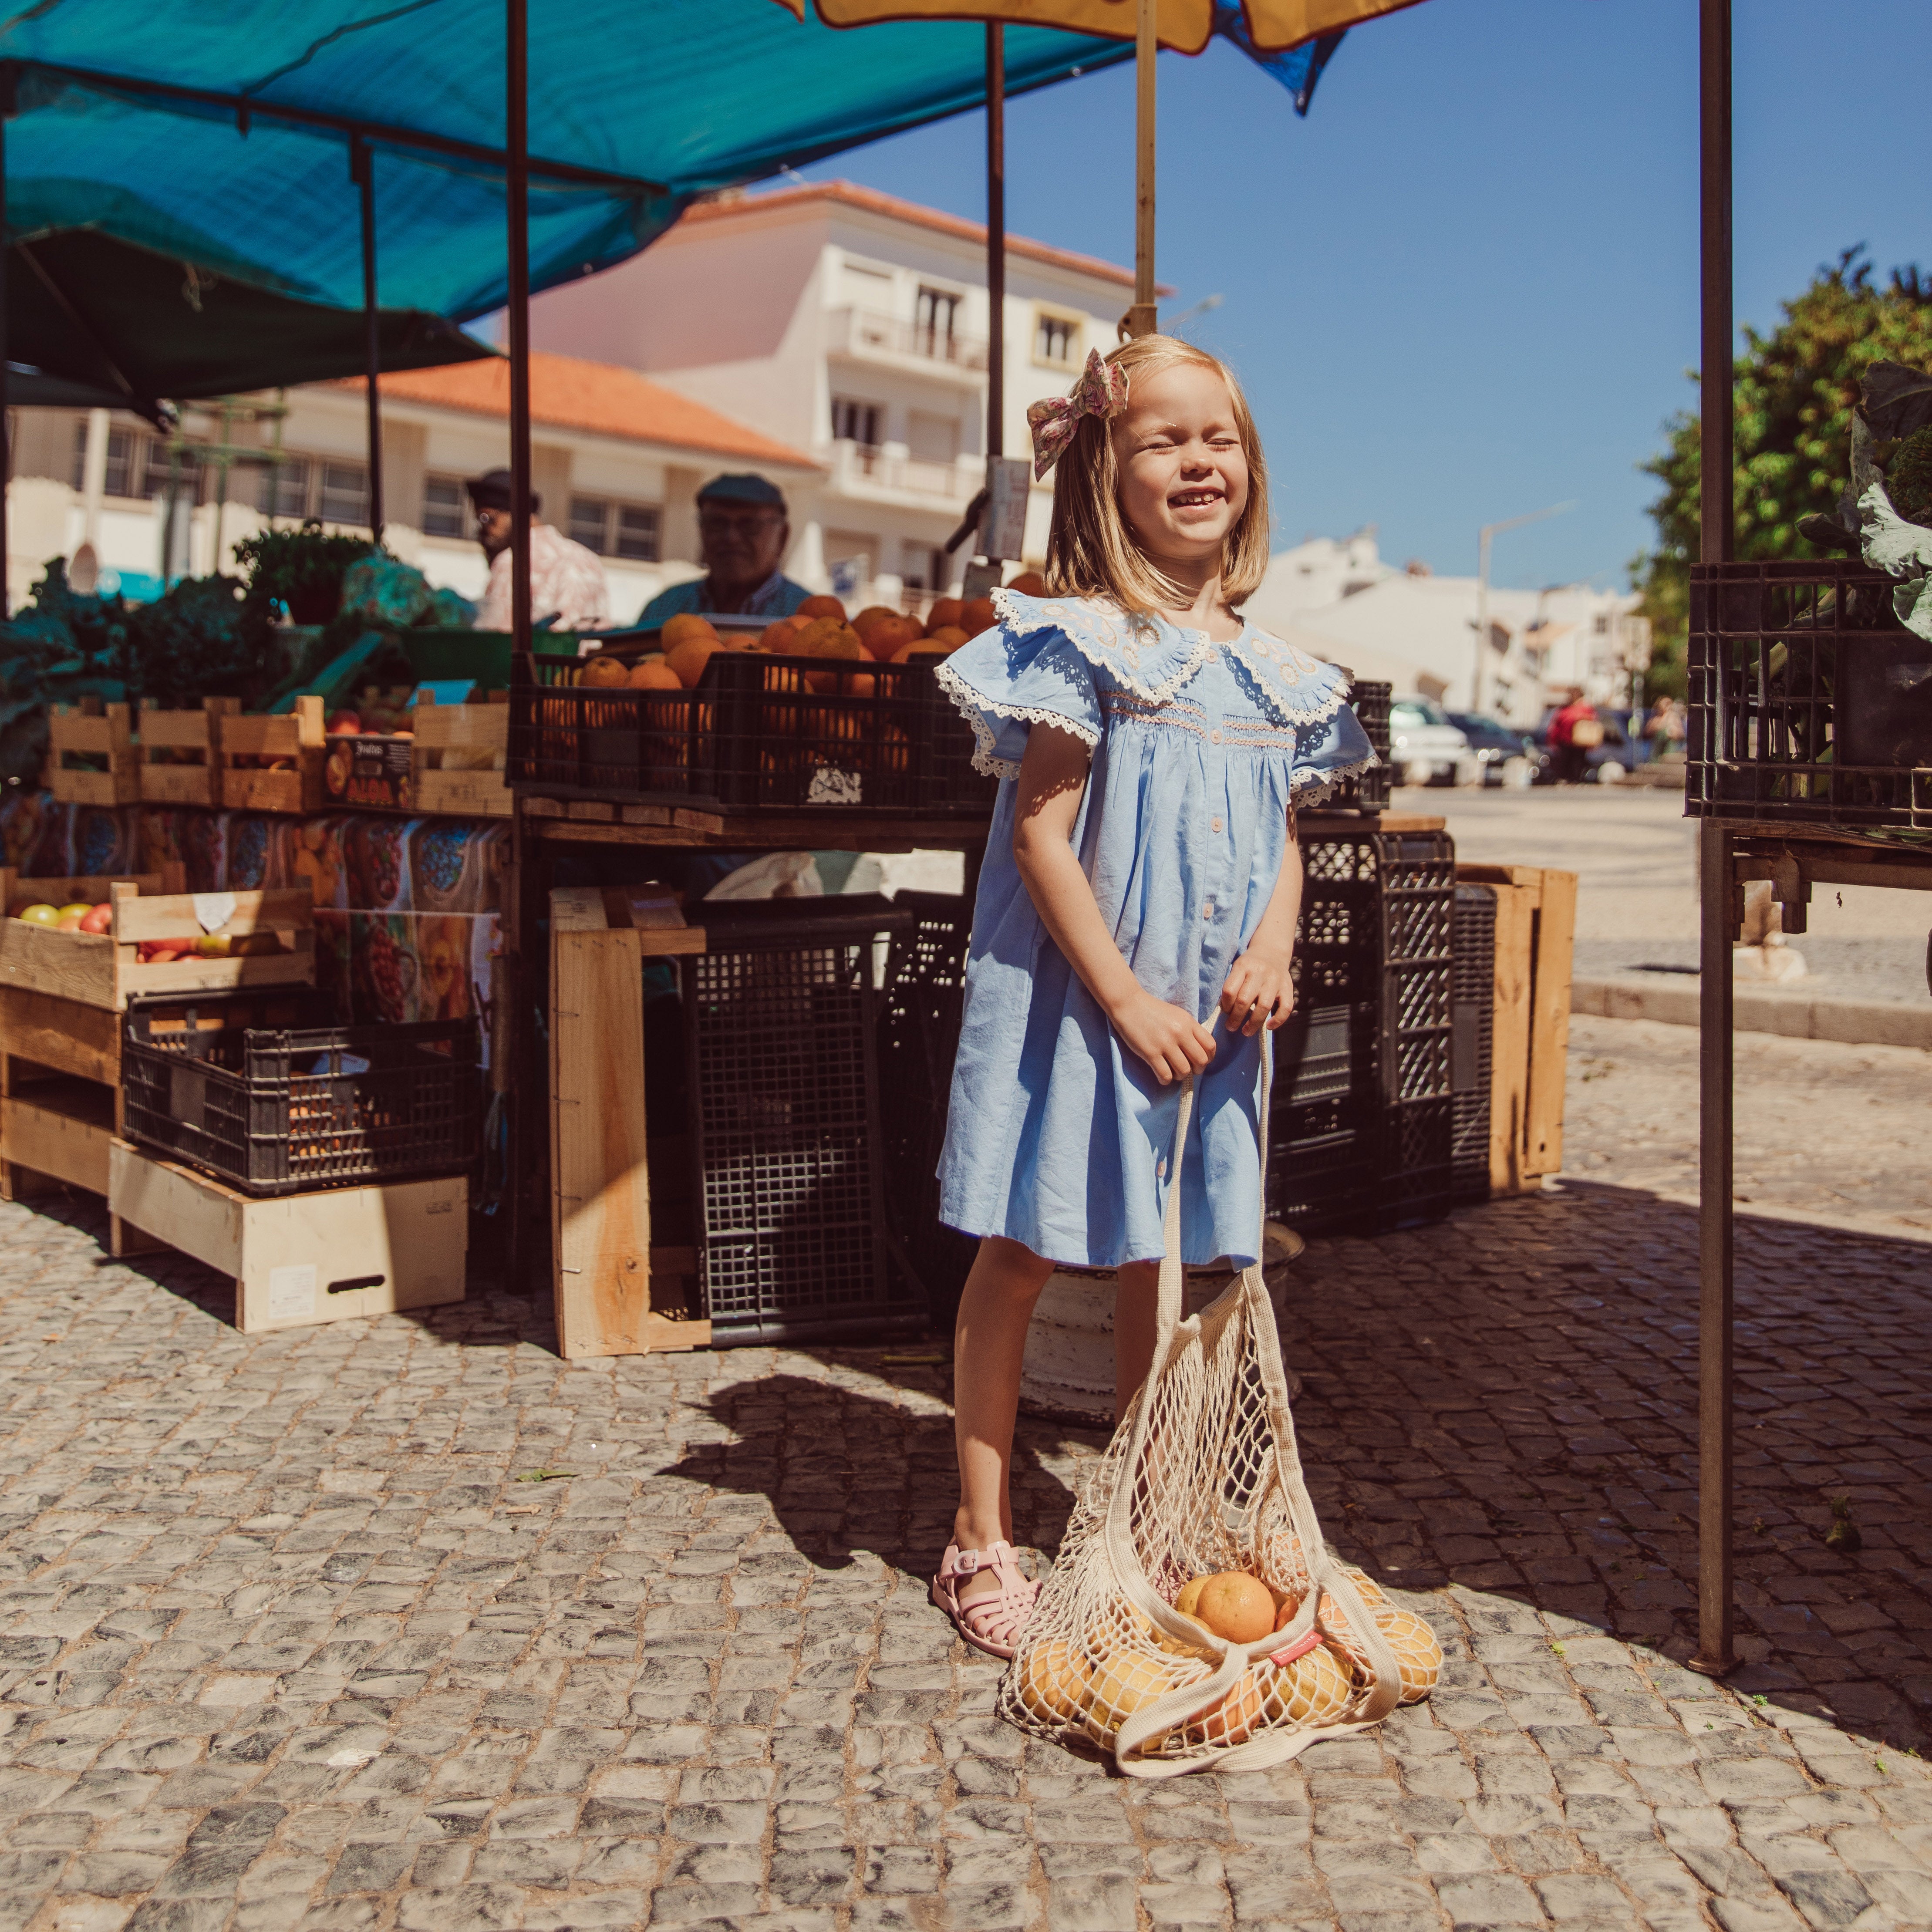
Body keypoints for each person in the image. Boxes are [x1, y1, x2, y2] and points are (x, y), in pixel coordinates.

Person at [924, 339, 1374, 1658]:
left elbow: (1284, 836)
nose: (1198, 462)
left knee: (1158, 1258)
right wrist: (1123, 999)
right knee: (1026, 1247)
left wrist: (1276, 949)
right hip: (1092, 1002)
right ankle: (979, 1538)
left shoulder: (1274, 670)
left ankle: (1134, 1516)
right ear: (1106, 477)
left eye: (1218, 440)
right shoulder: (1077, 642)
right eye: (1164, 442)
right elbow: (1041, 841)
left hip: (1210, 1015)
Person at [637, 473, 812, 625]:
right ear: (702, 531)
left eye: (749, 525)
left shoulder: (809, 617)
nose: (731, 538)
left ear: (782, 536)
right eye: (717, 523)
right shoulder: (665, 609)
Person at [467, 469, 610, 634]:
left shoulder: (513, 561)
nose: (485, 531)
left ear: (514, 511)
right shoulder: (589, 559)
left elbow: (495, 640)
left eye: (486, 518)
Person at [1547, 687, 1598, 785]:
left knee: (1577, 761)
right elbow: (1557, 726)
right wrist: (1553, 740)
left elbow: (1592, 723)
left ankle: (1576, 778)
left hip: (1579, 741)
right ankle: (1568, 778)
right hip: (1566, 741)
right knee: (1565, 760)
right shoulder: (1565, 709)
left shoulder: (1585, 709)